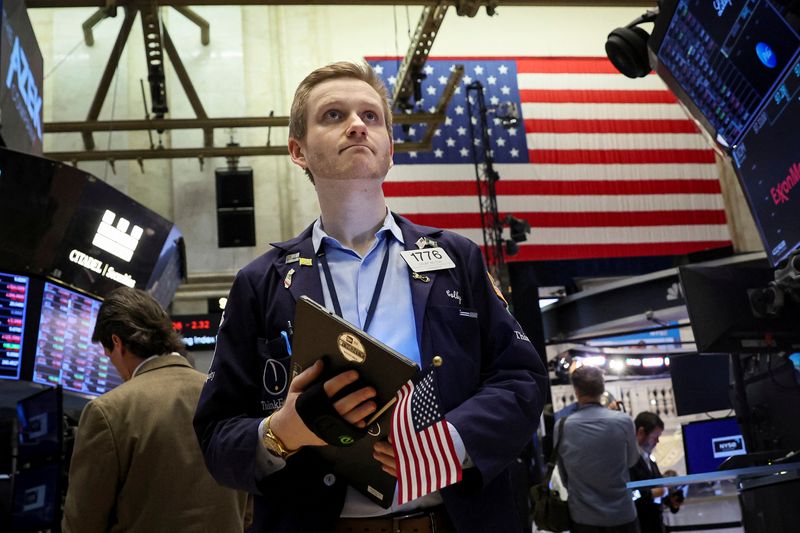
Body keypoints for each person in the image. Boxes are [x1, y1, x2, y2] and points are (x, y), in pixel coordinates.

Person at [193, 61, 547, 533]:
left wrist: (453, 442)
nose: (358, 125)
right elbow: (217, 435)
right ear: (298, 151)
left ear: (390, 151)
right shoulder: (260, 282)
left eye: (371, 116)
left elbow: (521, 377)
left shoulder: (455, 258)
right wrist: (281, 433)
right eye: (334, 115)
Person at [62, 288, 246, 533]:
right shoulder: (229, 395)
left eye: (109, 356)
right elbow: (249, 508)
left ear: (117, 342)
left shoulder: (107, 411)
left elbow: (82, 525)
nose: (114, 367)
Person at [555, 365, 640, 533]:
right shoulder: (624, 421)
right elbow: (632, 461)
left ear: (576, 390)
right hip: (622, 515)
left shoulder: (562, 426)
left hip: (583, 518)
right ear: (602, 388)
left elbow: (564, 476)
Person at [629, 412, 681, 533]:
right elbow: (628, 495)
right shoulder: (629, 460)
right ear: (641, 432)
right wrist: (652, 493)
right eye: (655, 436)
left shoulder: (649, 459)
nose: (657, 441)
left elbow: (658, 488)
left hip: (656, 525)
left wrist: (670, 500)